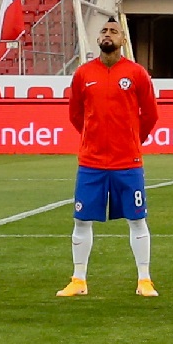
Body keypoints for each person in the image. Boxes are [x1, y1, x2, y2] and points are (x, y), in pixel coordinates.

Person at [63, 16, 159, 298]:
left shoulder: (137, 73)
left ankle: (144, 280)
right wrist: (92, 137)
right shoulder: (83, 74)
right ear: (98, 39)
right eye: (104, 31)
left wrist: (132, 140)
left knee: (137, 220)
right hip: (91, 163)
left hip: (127, 163)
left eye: (113, 31)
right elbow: (75, 114)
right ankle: (78, 280)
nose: (108, 34)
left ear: (123, 39)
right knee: (81, 221)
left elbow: (150, 114)